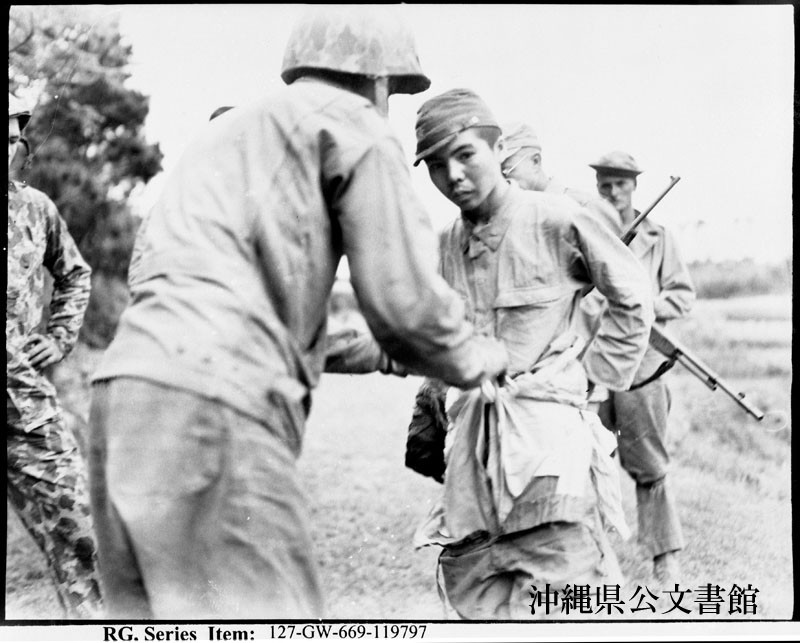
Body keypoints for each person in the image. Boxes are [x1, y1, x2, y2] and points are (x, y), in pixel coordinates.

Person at [87, 7, 508, 620]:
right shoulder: (353, 127)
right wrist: (476, 356)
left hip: (123, 398)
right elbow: (405, 306)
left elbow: (209, 303)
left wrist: (383, 355)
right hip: (218, 410)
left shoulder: (224, 136)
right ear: (380, 79)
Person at [409, 88, 654, 620]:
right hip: (473, 449)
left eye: (466, 154)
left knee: (563, 587)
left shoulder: (556, 219)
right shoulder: (445, 243)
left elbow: (632, 294)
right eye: (436, 164)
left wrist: (597, 378)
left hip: (546, 443)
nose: (453, 175)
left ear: (497, 150)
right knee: (475, 583)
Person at [7, 92, 103, 618]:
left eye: (11, 139)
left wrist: (60, 336)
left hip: (23, 402)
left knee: (82, 530)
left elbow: (75, 273)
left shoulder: (34, 208)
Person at [587, 150, 696, 585]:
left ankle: (664, 559)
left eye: (621, 184)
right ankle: (591, 561)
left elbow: (683, 297)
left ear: (635, 187)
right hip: (591, 367)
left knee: (649, 465)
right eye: (605, 185)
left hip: (643, 369)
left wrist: (642, 304)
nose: (613, 193)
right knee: (585, 461)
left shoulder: (659, 237)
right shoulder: (582, 229)